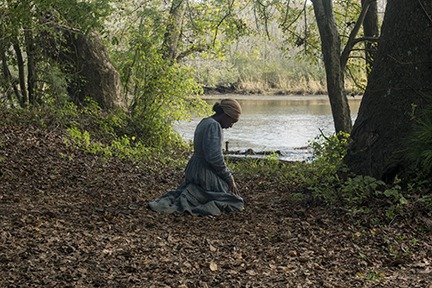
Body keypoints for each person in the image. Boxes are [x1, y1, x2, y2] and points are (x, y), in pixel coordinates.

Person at [148, 98, 244, 216]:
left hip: (194, 167)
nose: (231, 126)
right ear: (226, 115)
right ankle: (198, 203)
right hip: (203, 171)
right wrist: (229, 177)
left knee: (224, 190)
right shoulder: (214, 126)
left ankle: (195, 193)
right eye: (232, 122)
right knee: (235, 201)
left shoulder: (205, 121)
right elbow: (214, 158)